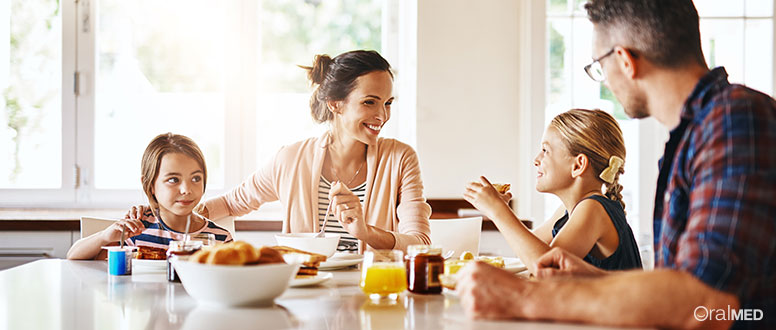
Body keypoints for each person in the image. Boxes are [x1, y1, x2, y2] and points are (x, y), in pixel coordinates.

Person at [457, 0, 775, 329]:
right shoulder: (694, 137)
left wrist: (521, 297)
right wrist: (593, 279)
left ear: (625, 60)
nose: (604, 80)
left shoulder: (736, 121)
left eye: (598, 65)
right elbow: (683, 288)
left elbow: (704, 300)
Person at [188, 50, 430, 253]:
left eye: (388, 103)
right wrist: (167, 215)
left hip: (374, 293)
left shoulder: (400, 159)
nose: (382, 115)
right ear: (335, 103)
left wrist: (365, 232)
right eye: (370, 102)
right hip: (305, 293)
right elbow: (231, 203)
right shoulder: (291, 159)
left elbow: (420, 243)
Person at [464, 109, 641, 273]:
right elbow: (526, 251)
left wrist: (498, 211)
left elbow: (546, 268)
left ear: (578, 165)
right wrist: (502, 208)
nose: (536, 160)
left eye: (545, 150)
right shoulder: (567, 212)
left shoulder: (593, 209)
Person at [67, 133, 233, 260]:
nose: (186, 189)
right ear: (150, 185)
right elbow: (73, 256)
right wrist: (104, 237)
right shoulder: (136, 230)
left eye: (196, 178)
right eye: (173, 180)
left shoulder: (220, 239)